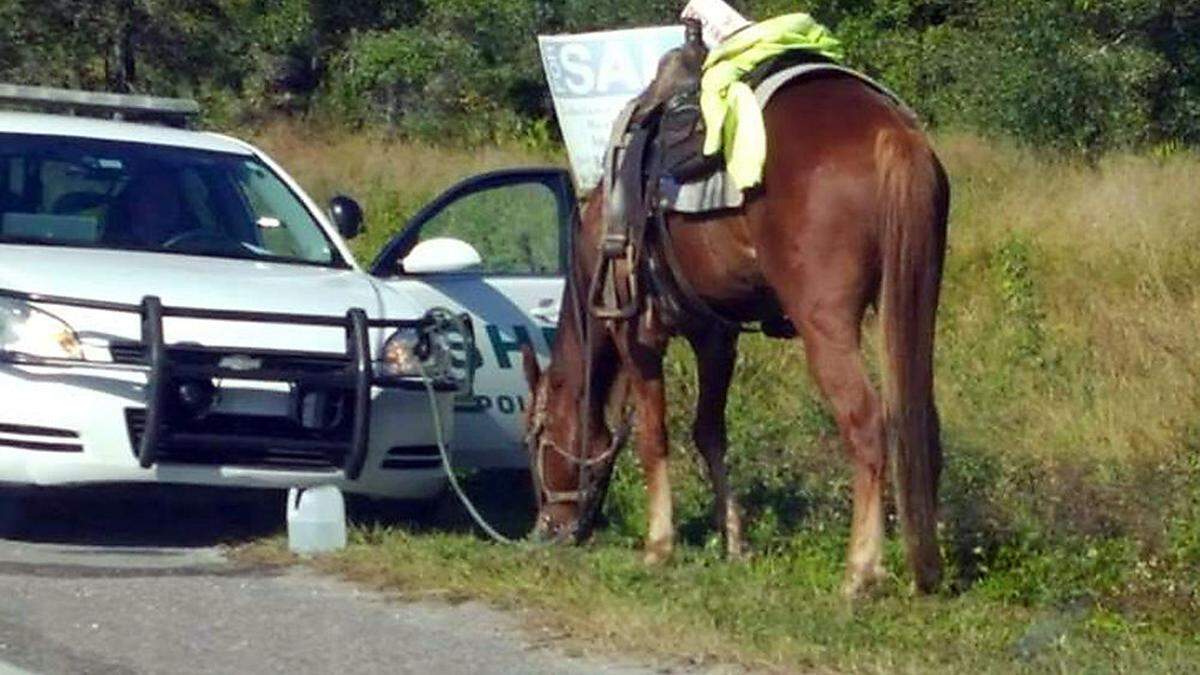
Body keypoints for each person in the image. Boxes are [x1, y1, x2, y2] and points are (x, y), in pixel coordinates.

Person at [104, 169, 193, 247]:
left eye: (168, 198)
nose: (162, 206)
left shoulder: (194, 245)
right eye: (154, 198)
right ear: (135, 203)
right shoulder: (113, 247)